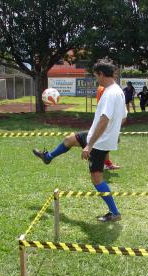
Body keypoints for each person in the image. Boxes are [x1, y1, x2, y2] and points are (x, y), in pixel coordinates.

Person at [33, 59, 127, 222]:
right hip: (98, 136)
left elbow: (104, 120)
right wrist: (114, 132)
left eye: (96, 76)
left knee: (96, 177)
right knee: (69, 139)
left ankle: (115, 212)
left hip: (98, 142)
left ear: (102, 74)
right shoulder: (117, 90)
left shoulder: (110, 93)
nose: (96, 79)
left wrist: (89, 146)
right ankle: (47, 158)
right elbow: (124, 116)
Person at [96, 85, 121, 170]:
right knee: (105, 142)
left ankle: (106, 163)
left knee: (106, 142)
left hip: (105, 117)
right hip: (106, 117)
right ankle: (101, 162)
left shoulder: (103, 88)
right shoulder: (105, 89)